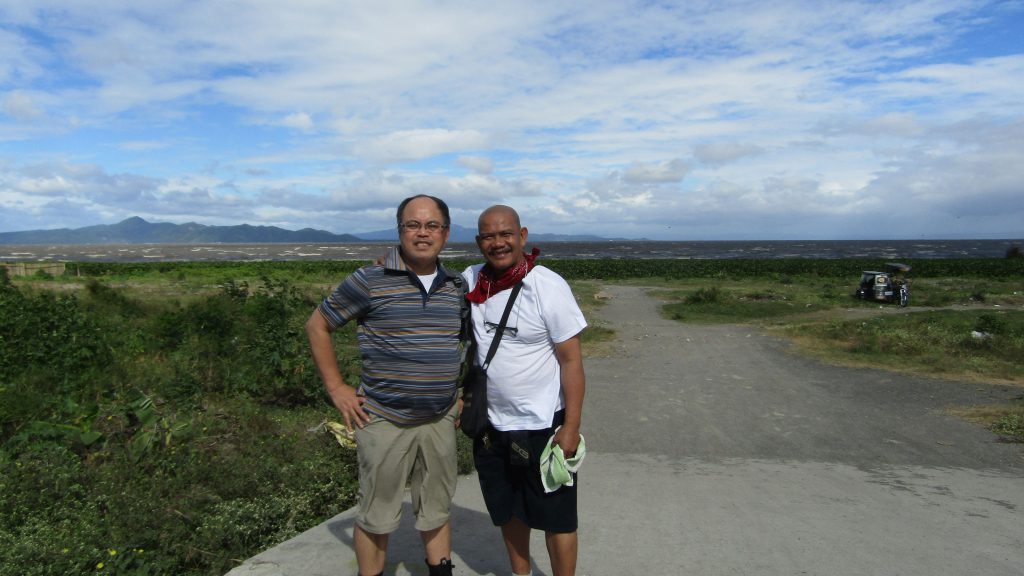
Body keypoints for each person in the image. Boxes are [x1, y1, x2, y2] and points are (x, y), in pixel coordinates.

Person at [305, 195, 464, 576]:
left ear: (445, 232)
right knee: (377, 515)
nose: (422, 233)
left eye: (431, 225)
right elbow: (318, 325)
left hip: (439, 419)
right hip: (383, 419)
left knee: (437, 508)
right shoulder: (369, 279)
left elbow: (470, 341)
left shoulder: (457, 284)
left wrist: (463, 396)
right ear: (400, 230)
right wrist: (337, 388)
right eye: (413, 225)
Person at [462, 205, 587, 576]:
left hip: (544, 423)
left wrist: (571, 427)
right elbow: (425, 280)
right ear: (478, 241)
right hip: (490, 424)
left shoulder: (547, 286)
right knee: (507, 509)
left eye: (505, 234)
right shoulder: (469, 280)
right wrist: (389, 266)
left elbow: (572, 362)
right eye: (488, 236)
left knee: (557, 516)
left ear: (522, 236)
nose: (497, 243)